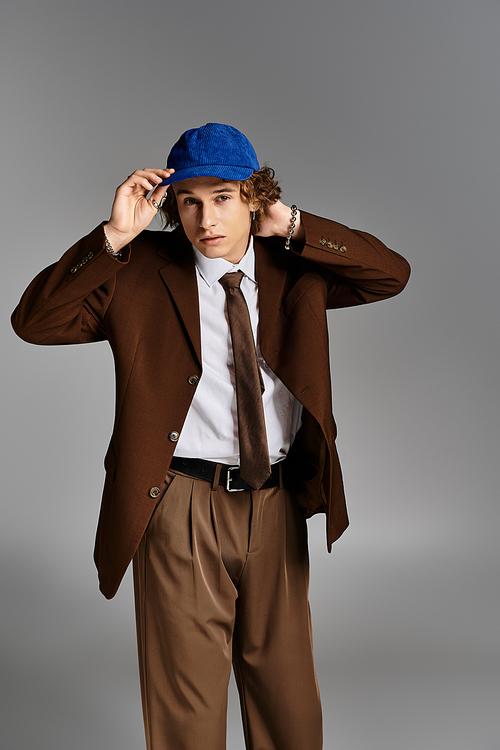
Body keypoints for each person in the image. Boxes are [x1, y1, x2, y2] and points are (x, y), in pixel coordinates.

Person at [11, 122, 410, 750]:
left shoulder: (294, 266)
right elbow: (34, 322)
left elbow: (391, 273)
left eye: (222, 196)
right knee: (186, 707)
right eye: (189, 200)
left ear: (254, 196)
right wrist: (113, 236)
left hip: (277, 500)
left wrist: (297, 224)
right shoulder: (136, 271)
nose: (205, 218)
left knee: (288, 699)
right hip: (178, 504)